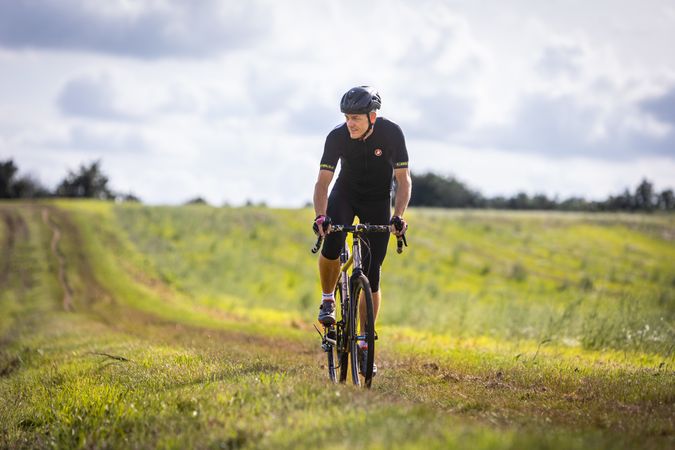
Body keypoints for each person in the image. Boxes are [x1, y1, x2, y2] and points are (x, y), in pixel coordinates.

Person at [312, 85, 411, 375]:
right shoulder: (337, 136)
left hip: (378, 200)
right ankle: (328, 300)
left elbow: (403, 181)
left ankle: (366, 338)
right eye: (346, 117)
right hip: (345, 194)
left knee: (373, 272)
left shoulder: (392, 134)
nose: (350, 123)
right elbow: (322, 183)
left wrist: (398, 216)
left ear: (372, 115)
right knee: (331, 240)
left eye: (355, 117)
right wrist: (321, 217)